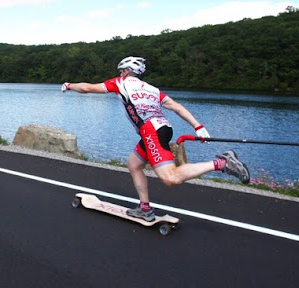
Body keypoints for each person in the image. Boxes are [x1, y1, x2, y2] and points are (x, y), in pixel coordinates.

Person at [61, 56, 250, 221]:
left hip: (150, 131)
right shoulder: (152, 89)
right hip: (163, 128)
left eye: (121, 70)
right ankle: (145, 209)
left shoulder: (120, 83)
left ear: (126, 71)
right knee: (134, 164)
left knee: (170, 178)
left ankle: (222, 163)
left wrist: (69, 85)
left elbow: (86, 88)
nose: (120, 73)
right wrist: (198, 126)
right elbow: (176, 106)